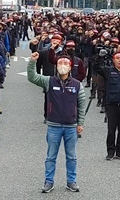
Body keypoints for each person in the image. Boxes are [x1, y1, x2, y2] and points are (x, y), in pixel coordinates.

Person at [28, 52, 86, 193]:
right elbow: (32, 77)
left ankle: (71, 181)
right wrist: (32, 62)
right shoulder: (49, 81)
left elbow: (82, 104)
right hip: (53, 126)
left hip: (71, 127)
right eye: (60, 63)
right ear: (56, 66)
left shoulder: (77, 85)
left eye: (66, 63)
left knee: (71, 157)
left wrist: (80, 123)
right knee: (50, 157)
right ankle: (49, 182)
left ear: (70, 67)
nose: (63, 66)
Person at [93, 50, 120, 161]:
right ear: (114, 60)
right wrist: (100, 57)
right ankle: (110, 152)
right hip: (112, 104)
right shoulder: (108, 71)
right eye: (117, 58)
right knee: (111, 130)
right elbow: (96, 67)